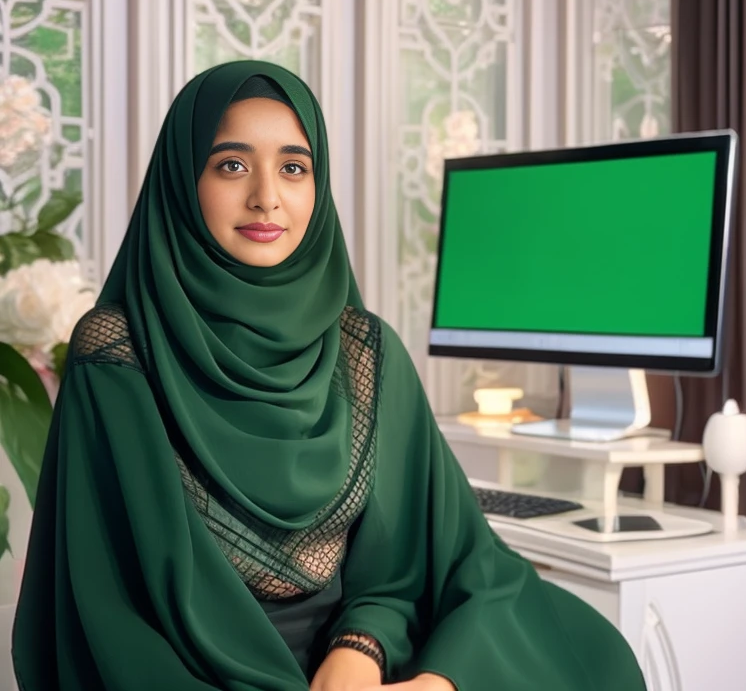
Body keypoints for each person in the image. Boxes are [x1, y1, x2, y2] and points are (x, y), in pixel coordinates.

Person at [12, 60, 646, 691]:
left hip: (360, 668)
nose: (267, 196)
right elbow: (113, 608)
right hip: (188, 672)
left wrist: (370, 654)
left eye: (294, 167)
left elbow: (432, 564)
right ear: (183, 179)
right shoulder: (119, 352)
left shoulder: (363, 349)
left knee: (593, 655)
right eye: (232, 165)